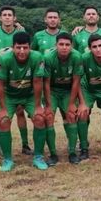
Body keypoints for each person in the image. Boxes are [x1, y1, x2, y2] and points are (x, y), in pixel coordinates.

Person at [0, 5, 32, 156]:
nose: (7, 17)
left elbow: (29, 50)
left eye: (10, 15)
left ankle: (25, 145)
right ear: (0, 17)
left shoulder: (21, 32)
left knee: (20, 112)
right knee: (1, 113)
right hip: (1, 79)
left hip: (21, 79)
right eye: (5, 15)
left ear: (14, 18)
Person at [0, 32, 48, 170]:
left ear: (30, 47)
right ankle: (7, 159)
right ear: (13, 47)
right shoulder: (4, 59)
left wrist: (37, 106)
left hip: (29, 95)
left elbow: (37, 82)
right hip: (9, 95)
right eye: (18, 47)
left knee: (40, 118)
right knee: (4, 120)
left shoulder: (37, 57)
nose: (22, 51)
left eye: (25, 47)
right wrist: (3, 108)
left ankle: (38, 156)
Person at [73, 6, 101, 149]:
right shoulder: (77, 34)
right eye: (88, 14)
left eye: (93, 14)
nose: (91, 16)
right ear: (84, 17)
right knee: (85, 111)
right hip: (87, 80)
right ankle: (83, 142)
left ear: (98, 17)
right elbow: (73, 54)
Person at [42, 32, 84, 165]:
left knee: (71, 115)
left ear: (71, 46)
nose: (64, 47)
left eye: (67, 44)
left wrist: (72, 103)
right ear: (56, 45)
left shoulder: (77, 57)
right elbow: (46, 83)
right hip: (53, 91)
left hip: (68, 91)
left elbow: (76, 81)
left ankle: (72, 152)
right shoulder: (48, 57)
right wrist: (48, 104)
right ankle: (53, 154)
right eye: (61, 44)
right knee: (48, 117)